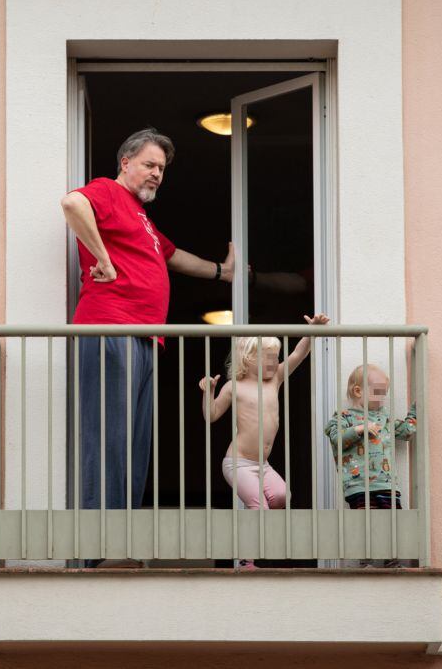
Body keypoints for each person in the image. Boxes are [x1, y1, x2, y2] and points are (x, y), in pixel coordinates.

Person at [60, 128, 234, 568]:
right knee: (109, 438)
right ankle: (99, 551)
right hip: (109, 329)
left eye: (161, 169)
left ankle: (120, 545)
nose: (157, 174)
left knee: (135, 444)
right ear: (125, 163)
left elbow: (173, 257)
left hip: (143, 337)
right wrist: (101, 258)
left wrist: (221, 273)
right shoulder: (107, 191)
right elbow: (72, 204)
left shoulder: (143, 220)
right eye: (149, 165)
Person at [198, 314, 329, 569]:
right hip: (238, 463)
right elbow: (211, 415)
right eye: (268, 358)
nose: (275, 362)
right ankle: (247, 560)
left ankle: (263, 532)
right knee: (258, 505)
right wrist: (209, 392)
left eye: (275, 357)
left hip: (263, 464)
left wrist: (311, 331)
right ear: (247, 360)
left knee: (281, 496)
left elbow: (298, 355)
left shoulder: (275, 379)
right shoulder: (234, 386)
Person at [324, 364, 417, 565]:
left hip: (386, 483)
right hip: (358, 484)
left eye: (384, 394)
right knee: (364, 524)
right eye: (378, 392)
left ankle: (392, 560)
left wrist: (417, 408)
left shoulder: (384, 418)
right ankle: (365, 561)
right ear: (358, 391)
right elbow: (336, 439)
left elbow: (407, 432)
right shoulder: (344, 417)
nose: (382, 398)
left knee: (391, 523)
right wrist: (359, 429)